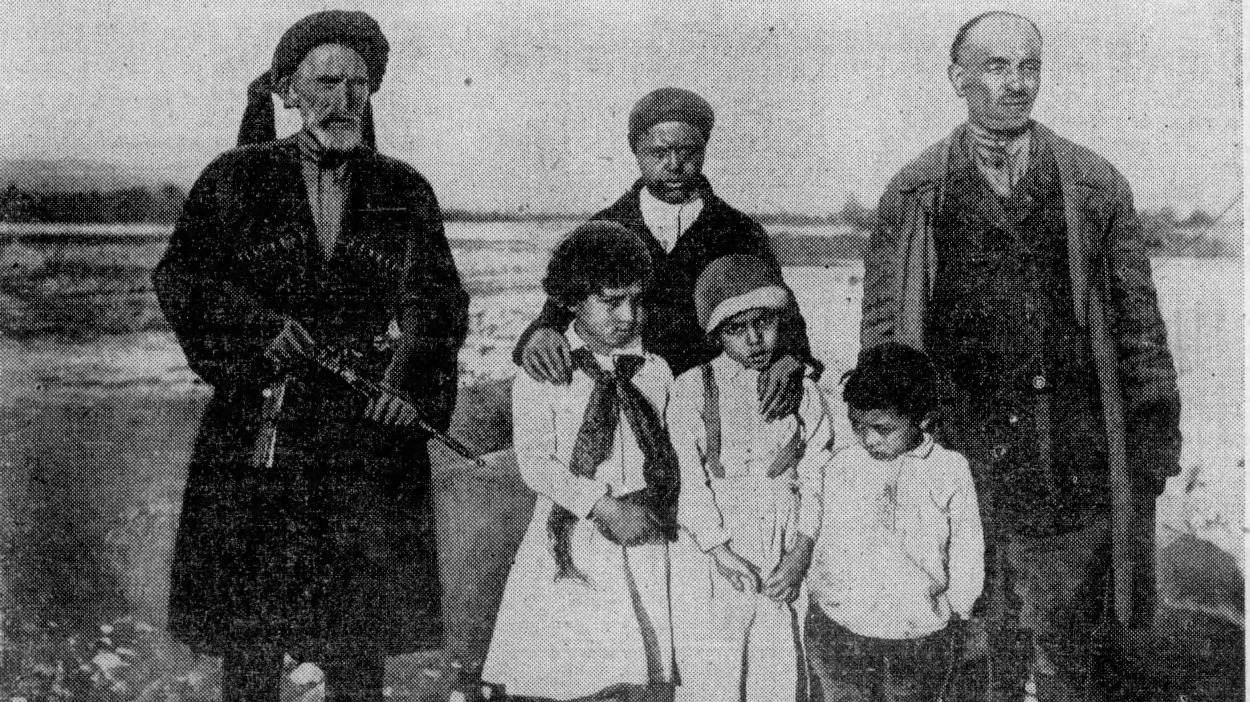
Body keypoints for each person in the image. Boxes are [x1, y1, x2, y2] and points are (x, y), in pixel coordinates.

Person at [861, 11, 1182, 700]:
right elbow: (884, 337)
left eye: (1029, 66)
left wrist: (1153, 442)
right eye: (997, 67)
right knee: (968, 647)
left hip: (1072, 463)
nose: (1016, 84)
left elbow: (1140, 332)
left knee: (1070, 651)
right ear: (958, 78)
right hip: (957, 457)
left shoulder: (1096, 186)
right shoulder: (915, 192)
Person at [152, 10, 469, 702]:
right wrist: (254, 331)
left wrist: (406, 387)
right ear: (288, 90)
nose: (344, 100)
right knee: (254, 638)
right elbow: (182, 279)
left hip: (368, 441)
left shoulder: (404, 190)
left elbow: (437, 303)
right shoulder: (232, 179)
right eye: (326, 83)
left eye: (359, 85)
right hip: (260, 436)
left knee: (359, 643)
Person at [513, 87, 818, 420]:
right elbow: (562, 303)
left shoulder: (739, 231)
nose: (674, 165)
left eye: (688, 151)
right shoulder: (606, 226)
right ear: (635, 150)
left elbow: (785, 312)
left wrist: (791, 357)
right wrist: (543, 330)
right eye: (657, 153)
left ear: (704, 148)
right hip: (632, 394)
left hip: (713, 400)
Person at [482, 222, 679, 702]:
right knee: (574, 670)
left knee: (637, 668)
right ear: (572, 300)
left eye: (637, 301)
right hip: (576, 533)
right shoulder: (546, 371)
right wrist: (602, 507)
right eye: (612, 302)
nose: (628, 316)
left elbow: (671, 454)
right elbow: (535, 463)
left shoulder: (654, 371)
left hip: (644, 537)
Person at [667, 255, 832, 702]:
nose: (756, 339)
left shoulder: (803, 390)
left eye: (764, 323)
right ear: (717, 334)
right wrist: (718, 548)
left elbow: (817, 473)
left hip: (784, 539)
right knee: (711, 670)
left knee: (778, 666)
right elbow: (688, 477)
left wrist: (801, 550)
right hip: (716, 546)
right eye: (738, 329)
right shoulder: (692, 388)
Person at [806, 342, 984, 702]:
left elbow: (967, 546)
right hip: (844, 630)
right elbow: (824, 538)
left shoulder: (949, 469)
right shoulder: (842, 467)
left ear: (923, 420)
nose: (868, 438)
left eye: (881, 428)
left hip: (918, 635)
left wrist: (956, 606)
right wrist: (825, 595)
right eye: (857, 426)